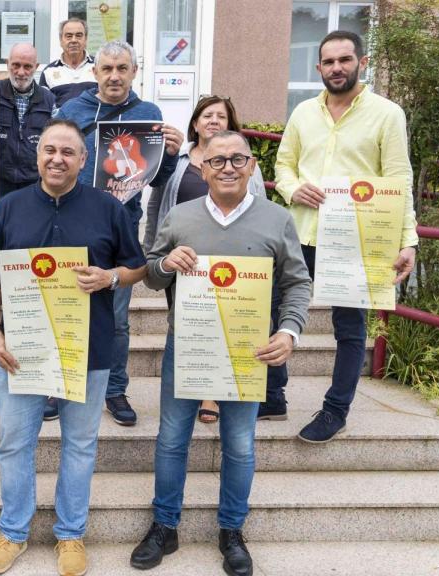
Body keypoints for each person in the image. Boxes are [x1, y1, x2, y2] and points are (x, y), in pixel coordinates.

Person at [0, 119, 147, 576]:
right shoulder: (7, 208)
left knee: (80, 444)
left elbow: (137, 267)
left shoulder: (108, 208)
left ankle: (71, 535)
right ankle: (12, 531)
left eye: (68, 152)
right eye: (49, 150)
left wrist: (110, 277)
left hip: (88, 347)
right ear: (37, 155)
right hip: (20, 349)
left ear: (84, 160)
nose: (57, 159)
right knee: (14, 443)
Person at [132, 130, 311, 576]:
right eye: (217, 161)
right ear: (202, 168)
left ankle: (231, 530)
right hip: (188, 344)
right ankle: (164, 525)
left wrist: (289, 331)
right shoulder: (180, 216)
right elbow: (151, 274)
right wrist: (164, 265)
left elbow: (297, 282)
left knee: (240, 445)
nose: (228, 167)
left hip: (247, 350)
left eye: (237, 159)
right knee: (172, 440)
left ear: (252, 166)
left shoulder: (277, 219)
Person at [274, 30, 418, 443]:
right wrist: (292, 188)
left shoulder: (387, 114)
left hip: (355, 239)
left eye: (344, 60)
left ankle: (336, 410)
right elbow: (284, 165)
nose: (337, 68)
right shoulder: (302, 113)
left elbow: (398, 179)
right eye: (329, 62)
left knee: (350, 327)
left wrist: (407, 239)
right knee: (273, 307)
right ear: (318, 67)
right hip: (301, 231)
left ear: (362, 62)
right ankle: (272, 394)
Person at [54, 40, 184, 426]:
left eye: (122, 68)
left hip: (120, 227)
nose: (114, 76)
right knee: (63, 308)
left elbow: (158, 177)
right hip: (70, 226)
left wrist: (171, 154)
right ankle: (58, 384)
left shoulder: (148, 113)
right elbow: (52, 162)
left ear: (134, 72)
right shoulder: (71, 111)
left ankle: (114, 389)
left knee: (118, 318)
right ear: (94, 72)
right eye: (107, 69)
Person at [143, 95, 269, 425]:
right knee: (186, 320)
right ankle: (193, 378)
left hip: (234, 259)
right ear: (195, 124)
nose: (213, 121)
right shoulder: (179, 160)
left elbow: (262, 208)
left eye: (221, 117)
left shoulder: (244, 163)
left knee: (227, 319)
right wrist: (154, 248)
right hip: (183, 259)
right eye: (207, 116)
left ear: (231, 125)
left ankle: (213, 391)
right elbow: (157, 204)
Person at [0, 43, 55, 197]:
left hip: (34, 184)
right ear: (7, 64)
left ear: (36, 67)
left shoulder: (49, 101)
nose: (21, 72)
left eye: (27, 66)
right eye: (16, 65)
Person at [40, 18, 97, 107]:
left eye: (79, 35)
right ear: (61, 40)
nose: (74, 40)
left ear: (85, 39)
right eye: (69, 36)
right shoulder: (48, 71)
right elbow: (44, 106)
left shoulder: (99, 66)